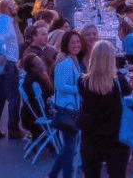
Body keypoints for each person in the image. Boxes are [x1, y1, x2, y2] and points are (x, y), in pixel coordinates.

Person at [78, 41, 132, 178]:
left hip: (91, 134)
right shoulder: (119, 81)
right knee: (117, 173)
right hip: (116, 134)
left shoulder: (83, 82)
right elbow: (128, 92)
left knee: (91, 173)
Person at [49, 31, 86, 178]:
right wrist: (80, 90)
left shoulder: (73, 60)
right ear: (66, 44)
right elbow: (60, 86)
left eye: (78, 42)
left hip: (72, 108)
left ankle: (53, 174)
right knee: (69, 147)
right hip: (67, 109)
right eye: (73, 43)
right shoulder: (65, 63)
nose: (76, 45)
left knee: (68, 147)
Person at [0, 0, 23, 140]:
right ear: (7, 8)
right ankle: (13, 129)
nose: (16, 7)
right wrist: (1, 53)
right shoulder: (4, 21)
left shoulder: (1, 20)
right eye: (14, 5)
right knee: (13, 97)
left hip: (5, 63)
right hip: (8, 64)